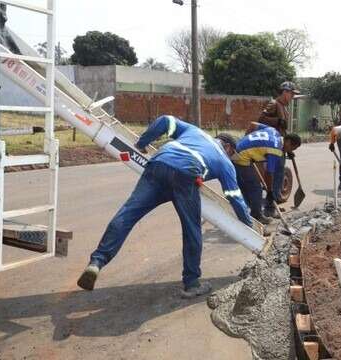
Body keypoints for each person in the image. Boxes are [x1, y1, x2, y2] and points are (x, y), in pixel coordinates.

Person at [77, 115, 253, 299]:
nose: (230, 158)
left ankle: (97, 262)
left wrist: (142, 142)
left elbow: (166, 121)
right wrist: (248, 225)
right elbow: (235, 197)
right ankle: (191, 283)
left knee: (128, 214)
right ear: (228, 147)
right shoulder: (225, 162)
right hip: (186, 174)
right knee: (192, 231)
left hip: (159, 164)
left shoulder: (195, 131)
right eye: (232, 154)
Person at [233, 123, 301, 224]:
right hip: (241, 158)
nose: (290, 151)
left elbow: (252, 124)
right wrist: (269, 191)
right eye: (292, 148)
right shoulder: (275, 150)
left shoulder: (273, 131)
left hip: (237, 150)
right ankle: (257, 216)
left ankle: (247, 214)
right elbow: (269, 173)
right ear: (288, 142)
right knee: (256, 188)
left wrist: (245, 141)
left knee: (247, 187)